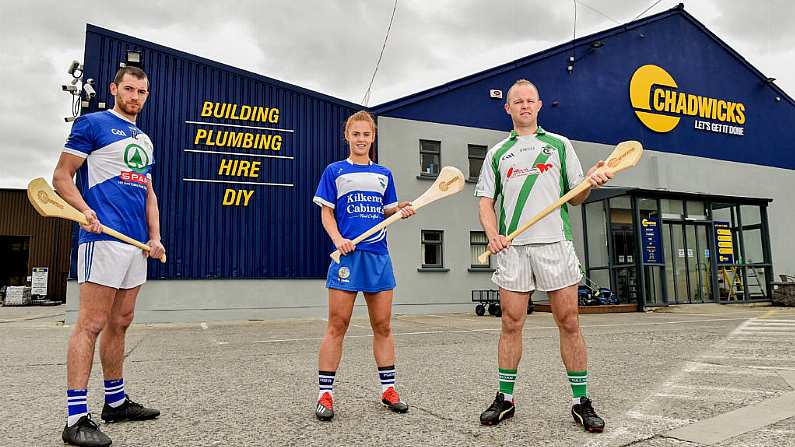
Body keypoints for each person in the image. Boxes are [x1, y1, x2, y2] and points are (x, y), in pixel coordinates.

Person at [474, 79, 611, 432]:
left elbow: (577, 196)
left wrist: (591, 181)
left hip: (555, 244)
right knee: (511, 322)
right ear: (507, 108)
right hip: (514, 248)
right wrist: (493, 235)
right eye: (516, 101)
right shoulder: (497, 153)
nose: (523, 105)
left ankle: (581, 402)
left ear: (539, 105)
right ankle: (506, 399)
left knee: (568, 320)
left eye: (529, 100)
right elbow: (486, 201)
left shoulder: (559, 145)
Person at [54, 66, 164, 447]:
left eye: (142, 91)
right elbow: (62, 177)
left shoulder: (145, 140)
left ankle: (115, 403)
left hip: (135, 245)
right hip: (101, 240)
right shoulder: (93, 124)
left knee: (121, 321)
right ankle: (75, 418)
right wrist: (85, 210)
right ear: (115, 88)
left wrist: (155, 236)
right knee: (91, 323)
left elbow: (148, 192)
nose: (135, 96)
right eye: (129, 89)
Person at [311, 111, 415, 421]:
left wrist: (402, 209)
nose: (361, 139)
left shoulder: (384, 173)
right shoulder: (335, 171)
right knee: (337, 325)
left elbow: (388, 211)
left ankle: (389, 390)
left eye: (366, 134)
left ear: (373, 137)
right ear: (347, 136)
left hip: (378, 256)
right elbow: (326, 213)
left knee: (382, 326)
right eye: (355, 134)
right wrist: (338, 238)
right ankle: (325, 395)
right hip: (347, 256)